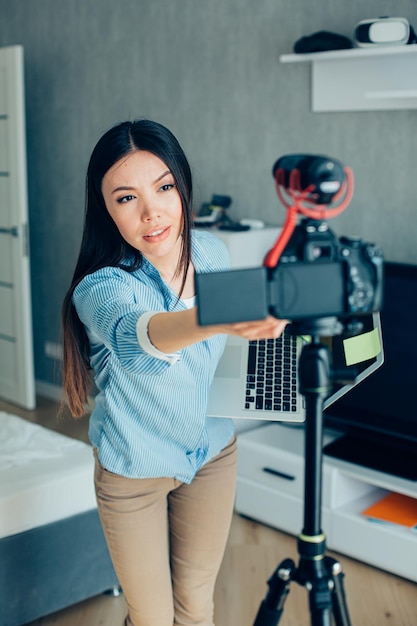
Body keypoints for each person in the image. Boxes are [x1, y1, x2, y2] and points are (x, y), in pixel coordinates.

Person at [61, 119, 287, 626]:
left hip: (211, 453)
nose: (151, 212)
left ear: (183, 186)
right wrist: (214, 316)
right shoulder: (100, 288)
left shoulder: (212, 252)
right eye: (125, 198)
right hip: (135, 470)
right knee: (153, 619)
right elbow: (139, 338)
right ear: (106, 210)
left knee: (196, 607)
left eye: (164, 187)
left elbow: (213, 356)